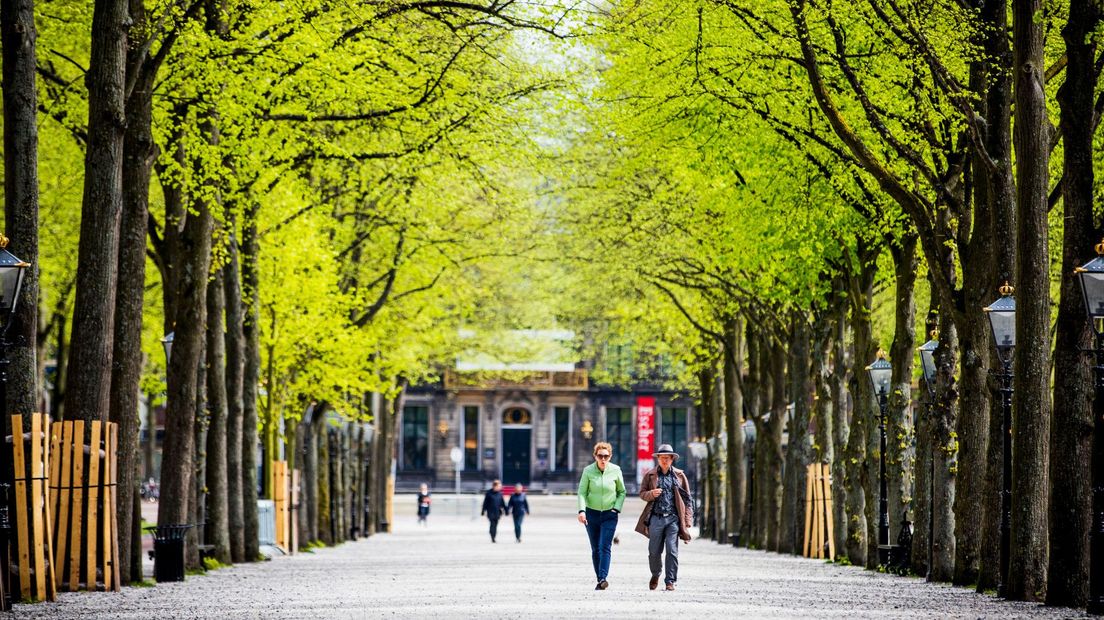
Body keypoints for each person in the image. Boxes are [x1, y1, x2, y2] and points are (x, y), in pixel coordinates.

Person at [635, 443, 693, 591]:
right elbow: (642, 493)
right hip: (656, 518)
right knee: (654, 551)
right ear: (658, 459)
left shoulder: (680, 475)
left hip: (673, 518)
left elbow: (688, 500)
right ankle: (656, 574)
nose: (664, 460)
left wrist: (687, 522)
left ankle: (670, 581)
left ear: (672, 459)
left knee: (672, 551)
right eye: (662, 458)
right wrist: (651, 494)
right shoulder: (650, 475)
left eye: (667, 458)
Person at [577, 442, 626, 590]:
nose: (603, 459)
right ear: (595, 456)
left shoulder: (616, 470)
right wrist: (582, 511)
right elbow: (582, 492)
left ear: (610, 456)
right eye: (600, 456)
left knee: (604, 546)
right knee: (595, 548)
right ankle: (600, 579)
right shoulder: (588, 471)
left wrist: (616, 508)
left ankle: (603, 577)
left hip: (609, 514)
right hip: (591, 514)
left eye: (606, 456)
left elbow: (622, 492)